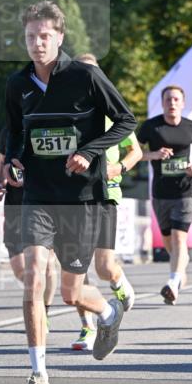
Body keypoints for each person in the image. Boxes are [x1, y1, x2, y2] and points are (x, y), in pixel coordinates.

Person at [4, 0, 137, 384]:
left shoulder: (86, 76)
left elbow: (127, 120)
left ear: (59, 37)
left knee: (70, 294)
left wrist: (89, 152)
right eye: (31, 36)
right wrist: (11, 160)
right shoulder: (17, 84)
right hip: (38, 197)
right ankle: (38, 377)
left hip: (80, 199)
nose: (37, 43)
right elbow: (14, 132)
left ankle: (109, 314)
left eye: (44, 36)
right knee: (34, 278)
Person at [69, 54, 142, 350]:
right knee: (76, 267)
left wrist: (119, 167)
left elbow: (136, 152)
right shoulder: (67, 112)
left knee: (103, 267)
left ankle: (119, 283)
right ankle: (87, 327)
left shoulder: (113, 113)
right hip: (72, 197)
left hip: (106, 194)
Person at [138, 85, 192, 305]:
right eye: (168, 99)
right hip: (161, 193)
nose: (172, 103)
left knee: (179, 238)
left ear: (183, 103)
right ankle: (178, 273)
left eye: (176, 99)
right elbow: (134, 153)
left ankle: (173, 281)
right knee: (169, 242)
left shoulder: (191, 127)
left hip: (185, 191)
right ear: (162, 103)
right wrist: (153, 154)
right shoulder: (151, 127)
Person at [0, 128, 57, 319]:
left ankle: (43, 312)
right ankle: (37, 292)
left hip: (42, 202)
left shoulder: (46, 124)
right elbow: (1, 161)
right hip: (14, 205)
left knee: (47, 264)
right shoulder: (9, 129)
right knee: (20, 268)